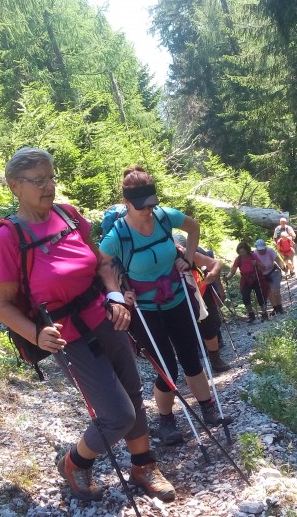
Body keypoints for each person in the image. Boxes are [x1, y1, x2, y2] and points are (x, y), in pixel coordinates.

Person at [0, 148, 175, 502]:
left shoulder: (68, 215)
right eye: (38, 180)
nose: (49, 186)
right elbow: (1, 304)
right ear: (15, 186)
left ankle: (143, 465)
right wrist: (35, 334)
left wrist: (115, 296)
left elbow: (101, 264)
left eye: (51, 177)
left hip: (104, 315)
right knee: (116, 414)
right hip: (65, 335)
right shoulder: (8, 237)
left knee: (133, 392)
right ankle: (74, 463)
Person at [99, 165, 229, 446]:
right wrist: (119, 293)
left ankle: (207, 408)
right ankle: (166, 419)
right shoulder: (117, 236)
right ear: (126, 203)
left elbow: (193, 228)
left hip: (177, 298)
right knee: (167, 367)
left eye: (151, 204)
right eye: (140, 205)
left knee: (192, 358)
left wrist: (189, 257)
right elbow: (101, 266)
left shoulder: (163, 217)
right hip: (144, 310)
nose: (147, 210)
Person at [173, 232, 231, 373]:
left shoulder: (191, 253)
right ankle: (193, 369)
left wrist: (213, 276)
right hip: (177, 299)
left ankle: (215, 360)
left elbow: (216, 264)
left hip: (201, 292)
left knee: (210, 326)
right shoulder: (158, 258)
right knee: (185, 332)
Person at [226, 241, 269, 323]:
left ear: (247, 250)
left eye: (243, 251)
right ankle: (251, 314)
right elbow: (233, 271)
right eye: (240, 252)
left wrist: (256, 263)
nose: (242, 253)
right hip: (245, 279)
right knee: (245, 297)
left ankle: (264, 313)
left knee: (260, 296)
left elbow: (263, 267)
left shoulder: (253, 256)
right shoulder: (238, 259)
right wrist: (227, 277)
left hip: (256, 277)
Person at [253, 238, 288, 315]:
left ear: (265, 247)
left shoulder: (270, 250)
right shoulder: (254, 253)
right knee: (269, 292)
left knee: (276, 291)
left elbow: (278, 260)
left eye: (262, 249)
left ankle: (280, 307)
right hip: (263, 275)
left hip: (273, 271)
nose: (261, 251)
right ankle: (275, 308)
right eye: (260, 250)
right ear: (257, 248)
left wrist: (283, 267)